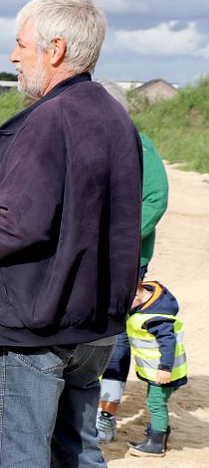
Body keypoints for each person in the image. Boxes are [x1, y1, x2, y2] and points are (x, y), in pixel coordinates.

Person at [0, 0, 143, 468]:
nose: (14, 56)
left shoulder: (46, 119)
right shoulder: (117, 118)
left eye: (20, 44)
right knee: (81, 456)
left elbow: (15, 230)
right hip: (95, 321)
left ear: (54, 49)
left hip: (34, 324)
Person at [93, 79, 170, 444]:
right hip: (83, 257)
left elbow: (155, 200)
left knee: (115, 333)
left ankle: (106, 413)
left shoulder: (140, 145)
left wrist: (114, 239)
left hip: (123, 258)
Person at [125, 281, 187, 457]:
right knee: (156, 401)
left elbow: (168, 343)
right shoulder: (148, 300)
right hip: (159, 371)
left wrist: (165, 368)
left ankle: (156, 444)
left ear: (137, 296)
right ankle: (156, 437)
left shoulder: (156, 317)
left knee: (156, 403)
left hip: (165, 372)